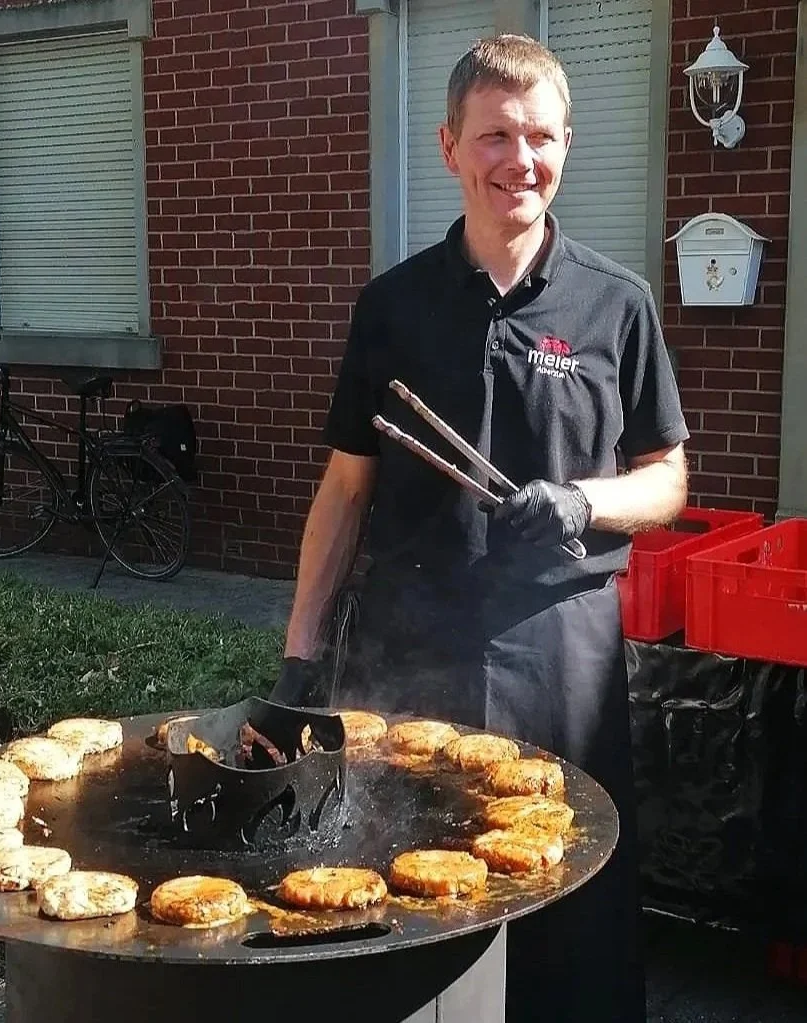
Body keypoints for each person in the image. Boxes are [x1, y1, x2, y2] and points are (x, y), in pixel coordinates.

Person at [272, 33, 688, 1023]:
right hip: (409, 651)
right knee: (406, 886)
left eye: (539, 135)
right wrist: (297, 664)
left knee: (564, 894)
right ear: (450, 144)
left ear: (567, 145)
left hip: (562, 659)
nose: (520, 159)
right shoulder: (393, 307)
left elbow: (666, 480)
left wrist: (586, 503)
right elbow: (343, 492)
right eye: (495, 135)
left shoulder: (616, 305)